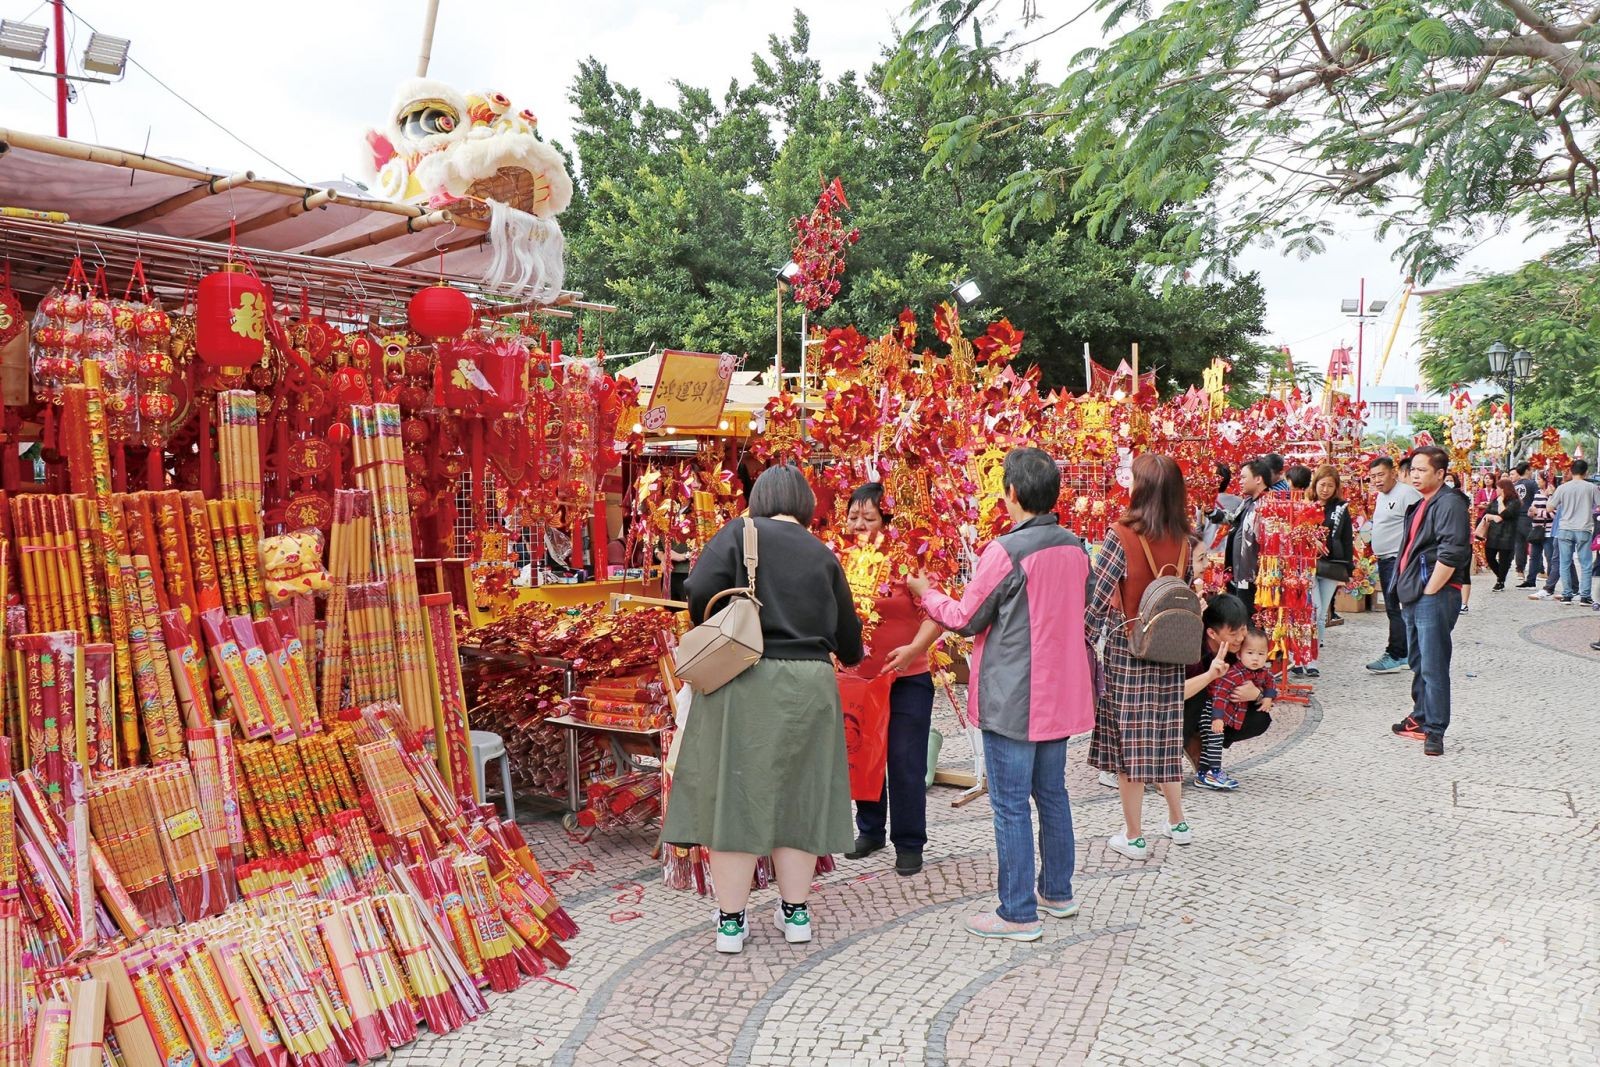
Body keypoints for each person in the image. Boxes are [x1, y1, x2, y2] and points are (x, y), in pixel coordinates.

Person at [662, 463, 864, 954]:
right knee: (800, 797)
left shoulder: (739, 533)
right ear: (804, 503)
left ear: (759, 498)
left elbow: (697, 592)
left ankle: (731, 922)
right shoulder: (823, 553)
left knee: (737, 795)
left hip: (745, 678)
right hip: (811, 685)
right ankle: (796, 914)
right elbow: (850, 641)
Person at [908, 448, 1095, 942]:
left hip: (1015, 694)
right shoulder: (1075, 546)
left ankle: (1016, 912)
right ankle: (1057, 891)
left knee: (1011, 804)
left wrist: (927, 593)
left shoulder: (1006, 551)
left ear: (1011, 493)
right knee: (1052, 795)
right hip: (1058, 691)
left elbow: (966, 616)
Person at [1086, 453, 1197, 861]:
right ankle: (1177, 821)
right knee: (1165, 734)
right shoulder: (1185, 537)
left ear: (1142, 487)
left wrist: (1082, 641)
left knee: (1128, 740)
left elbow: (1098, 597)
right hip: (1170, 649)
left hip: (1129, 648)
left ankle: (1134, 835)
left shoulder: (1121, 534)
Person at [841, 483, 942, 877]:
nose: (860, 525)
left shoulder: (909, 559)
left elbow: (936, 613)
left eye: (870, 518)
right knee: (865, 755)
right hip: (859, 679)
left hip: (907, 676)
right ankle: (870, 829)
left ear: (887, 520)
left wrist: (914, 650)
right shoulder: (842, 558)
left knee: (904, 759)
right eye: (854, 517)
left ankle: (909, 840)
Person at [1389, 446, 1472, 757]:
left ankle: (1435, 729)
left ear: (1440, 473)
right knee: (1419, 660)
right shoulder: (1422, 502)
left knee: (1434, 664)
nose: (1415, 474)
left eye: (1422, 470)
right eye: (1413, 469)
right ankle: (1420, 716)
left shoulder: (1449, 503)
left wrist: (1429, 591)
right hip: (1414, 594)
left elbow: (1452, 553)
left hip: (1433, 595)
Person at [1179, 593, 1255, 778]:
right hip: (1184, 707)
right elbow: (1175, 693)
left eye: (1243, 629)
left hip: (1216, 707)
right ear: (1212, 633)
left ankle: (1202, 744)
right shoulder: (1192, 650)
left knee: (1260, 715)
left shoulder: (1244, 647)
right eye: (1233, 634)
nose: (1240, 638)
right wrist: (1209, 676)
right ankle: (1171, 758)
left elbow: (1262, 674)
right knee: (1199, 694)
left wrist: (1257, 694)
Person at [1197, 627, 1277, 790]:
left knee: (1212, 744)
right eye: (1250, 653)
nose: (1255, 658)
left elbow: (1271, 682)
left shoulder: (1262, 672)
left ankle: (1203, 774)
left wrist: (1266, 697)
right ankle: (1214, 771)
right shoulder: (1234, 674)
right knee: (1214, 741)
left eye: (1261, 654)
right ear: (1240, 655)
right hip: (1213, 712)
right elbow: (1219, 694)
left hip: (1230, 716)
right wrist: (1217, 717)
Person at [1365, 456, 1422, 674]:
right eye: (1373, 477)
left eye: (1380, 475)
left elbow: (1419, 525)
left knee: (1395, 607)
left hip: (1398, 560)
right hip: (1386, 558)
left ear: (1393, 473)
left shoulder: (1406, 494)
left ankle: (1397, 653)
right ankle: (1405, 652)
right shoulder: (1382, 496)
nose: (1377, 480)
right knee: (1395, 608)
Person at [1301, 465, 1352, 679]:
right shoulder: (1306, 505)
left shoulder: (1340, 508)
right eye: (1322, 484)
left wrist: (1348, 569)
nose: (1325, 489)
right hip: (1309, 564)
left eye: (1330, 485)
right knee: (1313, 610)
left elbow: (1347, 538)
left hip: (1332, 565)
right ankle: (1303, 658)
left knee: (1321, 616)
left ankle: (1312, 660)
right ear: (1315, 483)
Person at [1223, 458, 1273, 613]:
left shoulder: (1269, 505)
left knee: (1251, 617)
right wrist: (1212, 512)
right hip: (1241, 572)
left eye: (1244, 477)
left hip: (1254, 575)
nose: (1240, 481)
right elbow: (1231, 519)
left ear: (1258, 479)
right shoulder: (1248, 502)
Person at [1547, 459, 1600, 605]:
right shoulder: (1591, 488)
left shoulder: (1563, 488)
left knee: (1564, 563)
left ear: (1571, 471)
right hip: (1583, 528)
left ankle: (1567, 595)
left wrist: (1551, 495)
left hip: (1564, 529)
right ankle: (1584, 596)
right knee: (1586, 564)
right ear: (1586, 472)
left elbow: (1549, 508)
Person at [1478, 476, 1522, 591]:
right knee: (1490, 557)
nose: (1496, 490)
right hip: (1493, 533)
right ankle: (1501, 576)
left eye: (1498, 488)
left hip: (1507, 534)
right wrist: (1492, 515)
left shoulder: (1514, 502)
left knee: (1504, 560)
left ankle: (1500, 581)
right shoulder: (1495, 500)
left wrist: (1501, 502)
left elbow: (1504, 514)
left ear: (1503, 489)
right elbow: (1488, 512)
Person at [1519, 468, 1553, 589]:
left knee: (1550, 556)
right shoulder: (1538, 492)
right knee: (1534, 556)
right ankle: (1530, 580)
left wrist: (1538, 512)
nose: (1537, 481)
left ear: (1546, 480)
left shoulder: (1552, 493)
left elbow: (1553, 513)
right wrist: (1531, 512)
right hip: (1536, 529)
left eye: (1539, 479)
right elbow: (1532, 508)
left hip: (1548, 530)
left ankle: (1550, 583)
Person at [1512, 461, 1538, 577]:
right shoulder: (1532, 484)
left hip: (1516, 518)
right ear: (1527, 470)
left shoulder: (1514, 485)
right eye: (1531, 470)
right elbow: (1537, 499)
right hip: (1528, 517)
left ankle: (1520, 570)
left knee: (1519, 545)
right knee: (1534, 543)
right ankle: (1540, 570)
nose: (1532, 472)